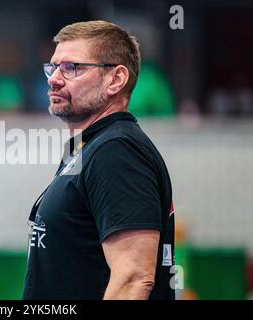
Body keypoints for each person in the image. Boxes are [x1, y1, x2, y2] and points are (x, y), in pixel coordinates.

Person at [23, 21, 174, 300]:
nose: (54, 78)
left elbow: (133, 279)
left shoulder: (117, 151)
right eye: (53, 67)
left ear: (115, 80)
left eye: (72, 68)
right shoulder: (87, 148)